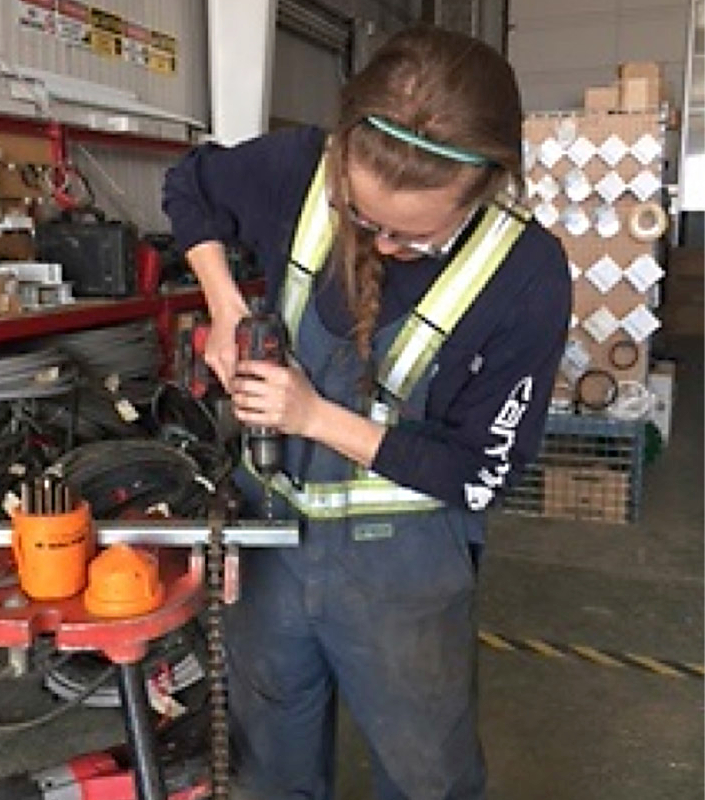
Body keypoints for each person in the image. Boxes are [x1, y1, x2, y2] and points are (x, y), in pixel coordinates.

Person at [163, 23, 571, 800]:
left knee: (427, 779)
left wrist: (315, 418)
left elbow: (482, 474)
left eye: (414, 236)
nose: (380, 246)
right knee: (266, 773)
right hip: (268, 540)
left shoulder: (524, 274)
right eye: (364, 218)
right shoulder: (301, 170)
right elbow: (191, 185)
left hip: (402, 571)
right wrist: (222, 305)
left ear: (487, 186)